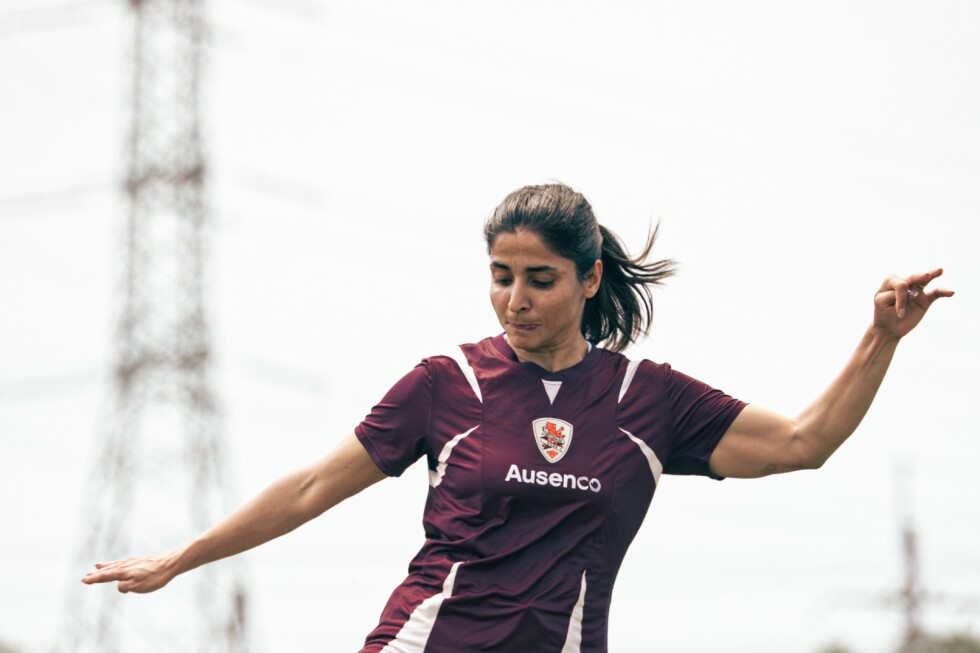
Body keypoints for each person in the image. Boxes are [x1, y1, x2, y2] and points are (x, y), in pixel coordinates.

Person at [82, 183, 953, 653]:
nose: (516, 298)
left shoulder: (649, 399)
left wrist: (881, 337)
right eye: (501, 274)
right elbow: (312, 486)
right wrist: (185, 555)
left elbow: (806, 442)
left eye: (539, 278)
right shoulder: (445, 381)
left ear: (588, 280)